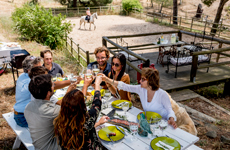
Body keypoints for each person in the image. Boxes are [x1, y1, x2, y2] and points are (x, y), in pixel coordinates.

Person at [99, 68, 177, 128]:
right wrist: (106, 79)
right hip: (148, 124)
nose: (140, 81)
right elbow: (125, 86)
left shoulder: (162, 94)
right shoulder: (141, 89)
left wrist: (171, 119)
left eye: (143, 79)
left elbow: (170, 110)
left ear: (150, 81)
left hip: (162, 126)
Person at [24, 74, 77, 150]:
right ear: (48, 93)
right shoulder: (53, 112)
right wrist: (69, 92)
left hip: (39, 146)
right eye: (52, 85)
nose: (54, 86)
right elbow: (73, 110)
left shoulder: (28, 107)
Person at [54, 75, 107, 150]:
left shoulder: (59, 121)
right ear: (82, 106)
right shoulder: (87, 118)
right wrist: (97, 84)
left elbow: (81, 132)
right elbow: (97, 103)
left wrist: (97, 124)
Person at [13, 56, 42, 127]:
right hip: (23, 117)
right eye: (39, 68)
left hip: (19, 114)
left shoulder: (23, 76)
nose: (42, 70)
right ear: (29, 70)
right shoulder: (32, 82)